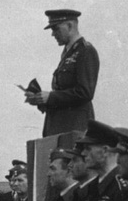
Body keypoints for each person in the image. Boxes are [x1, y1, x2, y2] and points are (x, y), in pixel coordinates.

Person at [25, 9, 100, 138]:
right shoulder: (68, 53)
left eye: (56, 29)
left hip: (74, 128)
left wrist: (51, 97)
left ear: (70, 26)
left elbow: (85, 92)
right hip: (59, 127)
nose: (53, 34)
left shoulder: (85, 51)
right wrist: (41, 100)